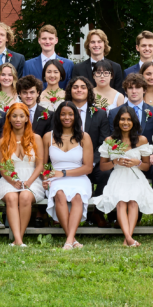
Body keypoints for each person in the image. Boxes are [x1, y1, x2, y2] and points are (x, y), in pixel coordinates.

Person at [93, 106, 153, 248]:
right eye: (122, 119)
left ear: (134, 121)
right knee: (121, 202)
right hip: (118, 176)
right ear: (117, 121)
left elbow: (146, 166)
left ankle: (128, 238)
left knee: (133, 201)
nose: (125, 122)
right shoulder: (110, 140)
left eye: (129, 119)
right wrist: (114, 161)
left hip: (135, 176)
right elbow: (103, 166)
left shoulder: (141, 140)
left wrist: (137, 162)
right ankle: (128, 238)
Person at [42, 102, 94, 250]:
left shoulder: (84, 137)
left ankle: (69, 240)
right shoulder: (48, 137)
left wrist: (64, 173)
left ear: (76, 116)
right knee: (59, 194)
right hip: (56, 178)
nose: (67, 117)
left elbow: (88, 167)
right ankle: (72, 240)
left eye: (70, 114)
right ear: (58, 116)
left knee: (78, 196)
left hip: (79, 177)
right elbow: (43, 165)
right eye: (63, 114)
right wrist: (45, 179)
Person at [0, 102, 47, 247]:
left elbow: (40, 165)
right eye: (14, 116)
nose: (18, 119)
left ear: (26, 118)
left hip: (32, 177)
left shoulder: (36, 138)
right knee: (12, 197)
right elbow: (3, 168)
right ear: (9, 119)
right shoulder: (2, 142)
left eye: (21, 116)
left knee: (25, 196)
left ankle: (19, 237)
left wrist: (29, 182)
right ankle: (17, 240)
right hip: (9, 179)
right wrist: (13, 181)